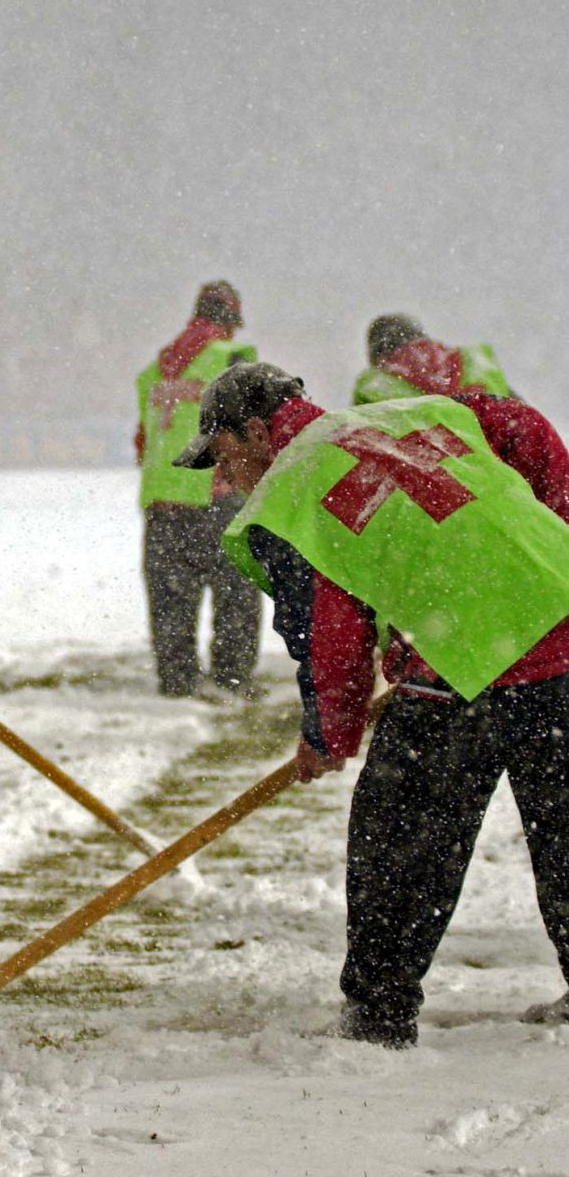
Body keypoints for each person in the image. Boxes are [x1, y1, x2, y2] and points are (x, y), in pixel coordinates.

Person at [174, 360, 569, 1045]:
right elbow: (523, 424)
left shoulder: (292, 488)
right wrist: (545, 533)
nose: (223, 478)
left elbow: (330, 625)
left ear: (260, 429)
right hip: (561, 608)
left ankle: (379, 1013)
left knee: (400, 839)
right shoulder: (412, 414)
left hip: (466, 647)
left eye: (225, 455)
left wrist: (330, 730)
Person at [134, 282, 262, 699]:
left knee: (171, 602)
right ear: (229, 323)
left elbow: (142, 442)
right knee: (237, 598)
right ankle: (231, 683)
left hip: (162, 504)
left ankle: (177, 684)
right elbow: (256, 428)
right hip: (217, 496)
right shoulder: (233, 360)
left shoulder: (155, 371)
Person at [353, 312, 513, 404]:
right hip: (490, 459)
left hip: (422, 460)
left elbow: (354, 443)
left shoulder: (374, 384)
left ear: (375, 353)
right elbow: (527, 421)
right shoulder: (476, 361)